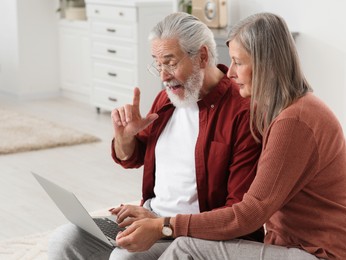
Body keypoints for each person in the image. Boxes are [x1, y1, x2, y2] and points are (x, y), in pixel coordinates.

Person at [114, 12, 346, 260]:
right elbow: (134, 154)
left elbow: (248, 214)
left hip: (324, 253)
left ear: (265, 64)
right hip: (292, 245)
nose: (231, 72)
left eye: (239, 62)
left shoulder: (293, 120)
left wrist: (164, 225)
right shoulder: (287, 111)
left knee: (183, 249)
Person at [47, 12, 263, 260]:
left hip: (194, 235)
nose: (163, 76)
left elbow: (237, 211)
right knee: (65, 238)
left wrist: (162, 223)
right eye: (158, 64)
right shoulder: (167, 100)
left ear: (202, 56)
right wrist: (125, 138)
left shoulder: (243, 112)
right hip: (150, 218)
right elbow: (133, 156)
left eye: (170, 62)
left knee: (125, 257)